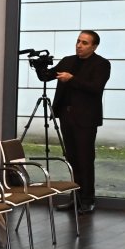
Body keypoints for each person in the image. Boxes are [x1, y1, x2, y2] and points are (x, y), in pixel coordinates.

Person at [37, 30, 108, 213]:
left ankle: (87, 199)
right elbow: (46, 76)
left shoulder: (101, 64)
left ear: (94, 46)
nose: (79, 45)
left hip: (85, 119)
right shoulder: (68, 60)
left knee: (85, 159)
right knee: (72, 159)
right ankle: (74, 198)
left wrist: (72, 79)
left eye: (84, 43)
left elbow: (95, 88)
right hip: (66, 116)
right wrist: (39, 66)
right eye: (78, 41)